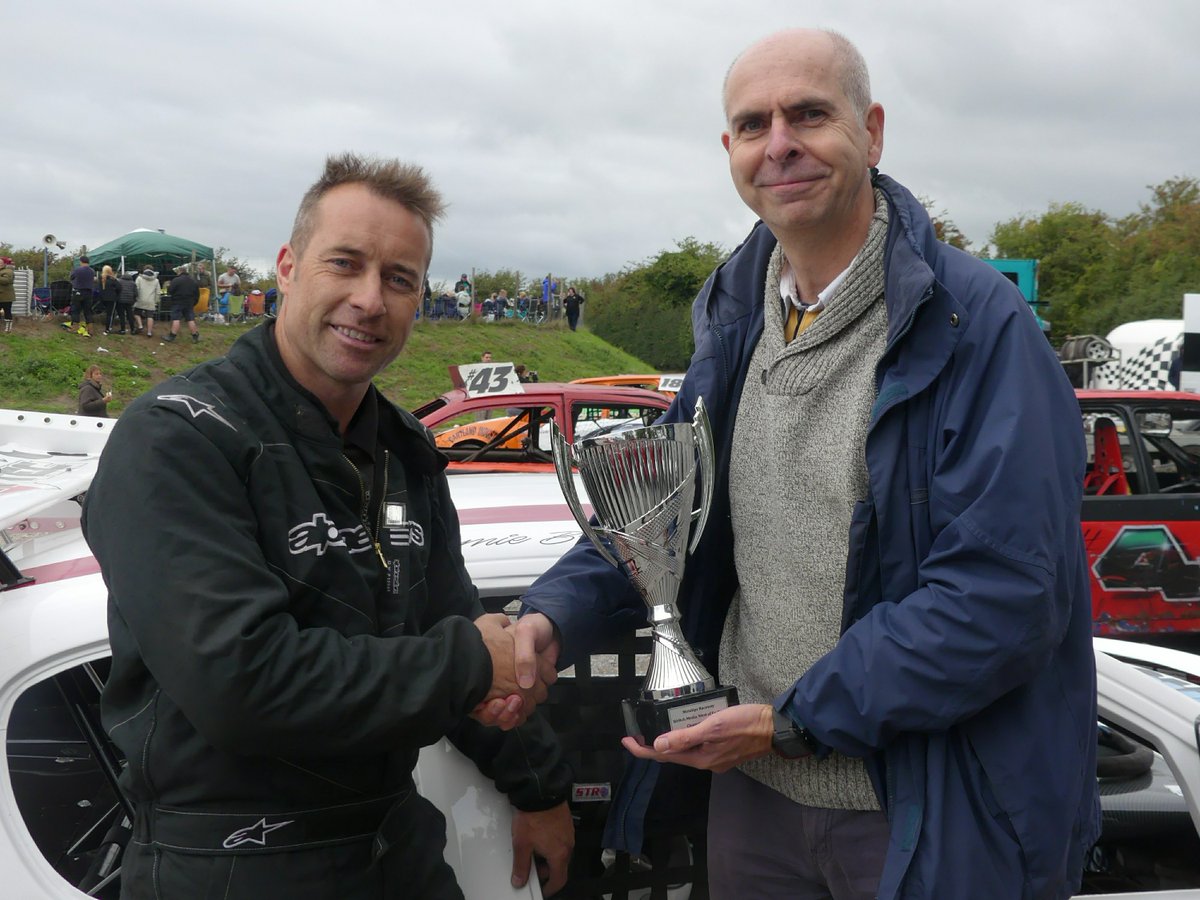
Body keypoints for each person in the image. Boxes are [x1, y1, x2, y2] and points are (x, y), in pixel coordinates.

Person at [513, 28, 1099, 900]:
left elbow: (1005, 594)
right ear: (730, 151)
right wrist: (550, 618)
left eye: (809, 115)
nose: (779, 143)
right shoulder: (732, 322)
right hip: (755, 800)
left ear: (873, 130)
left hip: (922, 809)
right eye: (753, 125)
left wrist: (793, 723)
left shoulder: (980, 328)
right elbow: (659, 513)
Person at [82, 152, 572, 900]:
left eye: (399, 279)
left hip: (395, 846)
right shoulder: (177, 437)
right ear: (287, 268)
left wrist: (538, 785)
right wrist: (474, 667)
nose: (369, 299)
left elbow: (450, 618)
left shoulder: (404, 449)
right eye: (345, 263)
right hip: (230, 866)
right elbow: (243, 685)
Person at [164, 264, 201, 343]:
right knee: (190, 319)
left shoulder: (176, 280)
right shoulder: (193, 281)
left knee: (176, 319)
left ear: (180, 272)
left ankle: (172, 336)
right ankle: (195, 336)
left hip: (178, 302)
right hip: (189, 302)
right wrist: (194, 302)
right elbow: (197, 294)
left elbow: (170, 291)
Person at [67, 255, 96, 336]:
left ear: (81, 261)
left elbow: (71, 277)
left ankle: (75, 328)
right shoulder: (92, 271)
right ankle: (90, 329)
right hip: (89, 293)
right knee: (88, 311)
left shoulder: (77, 270)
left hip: (78, 292)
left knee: (75, 310)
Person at [133, 267, 159, 338]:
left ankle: (140, 325)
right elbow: (158, 292)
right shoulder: (156, 280)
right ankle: (149, 332)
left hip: (140, 299)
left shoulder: (139, 278)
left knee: (136, 314)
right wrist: (156, 301)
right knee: (150, 316)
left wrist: (136, 298)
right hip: (151, 301)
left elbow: (136, 289)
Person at [99, 265, 122, 334]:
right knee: (110, 314)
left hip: (103, 298)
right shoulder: (113, 279)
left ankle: (107, 327)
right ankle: (108, 328)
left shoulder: (101, 279)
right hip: (112, 299)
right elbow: (119, 288)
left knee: (107, 313)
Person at [115, 269, 138, 334]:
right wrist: (133, 299)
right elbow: (136, 293)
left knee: (121, 315)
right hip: (130, 301)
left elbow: (117, 290)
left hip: (120, 301)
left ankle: (123, 330)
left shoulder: (119, 281)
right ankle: (132, 329)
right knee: (130, 315)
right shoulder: (133, 283)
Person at [0, 256, 14, 334]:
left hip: (6, 296)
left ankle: (8, 330)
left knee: (7, 312)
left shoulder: (8, 271)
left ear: (4, 263)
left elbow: (6, 280)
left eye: (0, 262)